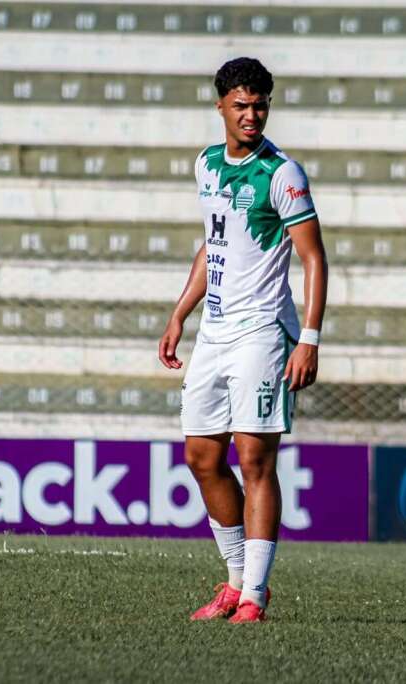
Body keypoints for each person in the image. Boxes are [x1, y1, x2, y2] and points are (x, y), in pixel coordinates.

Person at [158, 57, 328, 622]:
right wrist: (180, 312)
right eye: (241, 106)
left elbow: (313, 257)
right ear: (221, 106)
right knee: (201, 457)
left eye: (260, 105)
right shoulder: (206, 166)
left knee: (255, 458)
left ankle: (254, 593)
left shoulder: (282, 173)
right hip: (215, 331)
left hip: (262, 333)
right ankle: (233, 582)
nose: (251, 115)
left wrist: (308, 338)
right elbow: (214, 245)